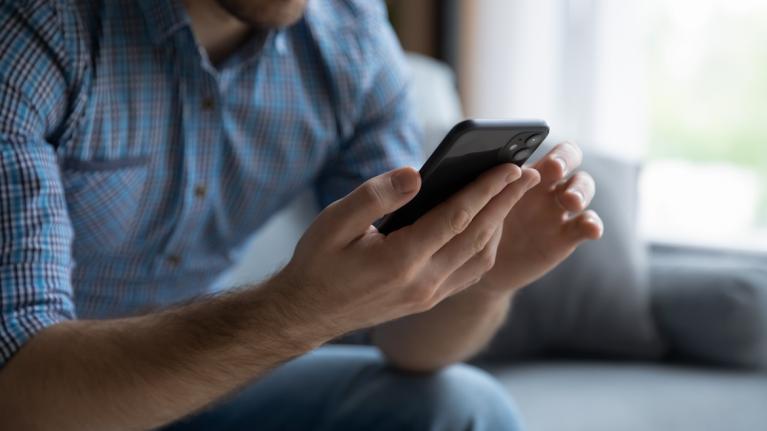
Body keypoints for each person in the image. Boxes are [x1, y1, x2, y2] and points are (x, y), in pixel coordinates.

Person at [0, 0, 603, 429]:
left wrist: (481, 273)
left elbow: (409, 344)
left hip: (202, 388)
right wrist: (298, 311)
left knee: (462, 407)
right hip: (53, 396)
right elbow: (19, 393)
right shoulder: (34, 31)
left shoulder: (351, 40)